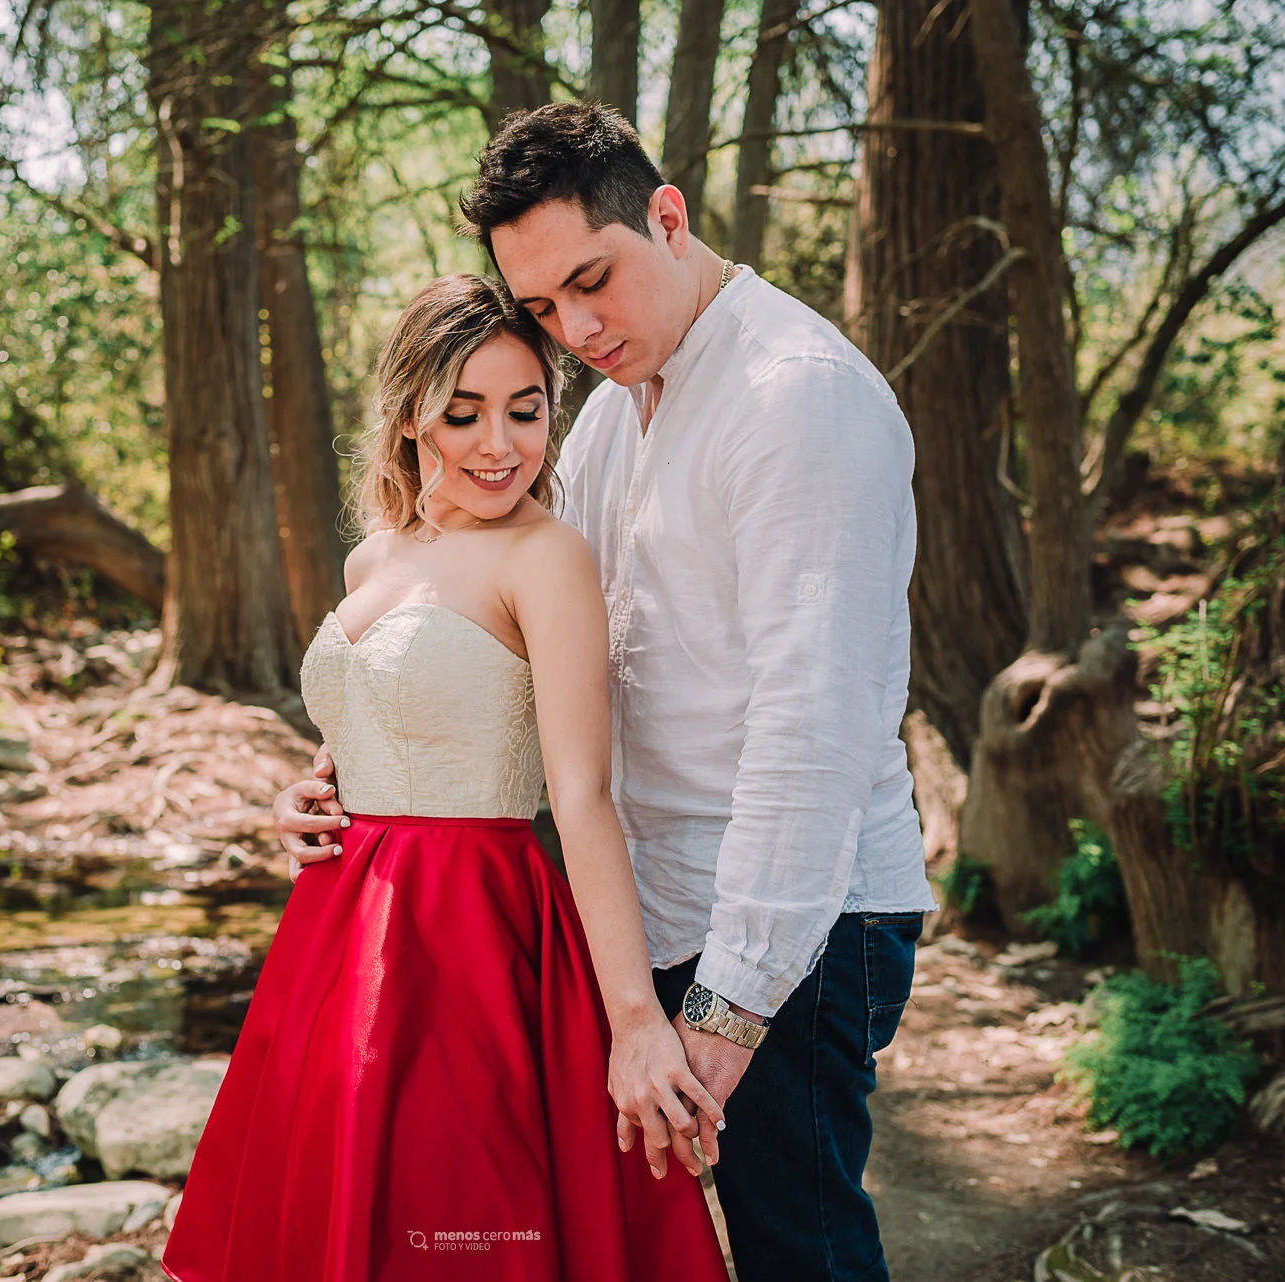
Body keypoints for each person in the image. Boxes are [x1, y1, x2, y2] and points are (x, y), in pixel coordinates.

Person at [277, 102, 938, 1282]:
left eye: (594, 279)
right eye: (542, 310)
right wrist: (359, 768)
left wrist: (729, 1013)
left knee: (801, 1247)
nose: (575, 329)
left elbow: (812, 734)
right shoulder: (617, 416)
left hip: (800, 925)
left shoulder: (797, 399)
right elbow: (507, 653)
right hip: (654, 908)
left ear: (668, 217)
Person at [162, 273, 730, 1282]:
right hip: (339, 933)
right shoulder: (373, 559)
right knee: (345, 1219)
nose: (499, 443)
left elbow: (582, 795)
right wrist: (305, 791)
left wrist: (637, 1021)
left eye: (526, 409)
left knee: (462, 1221)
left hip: (470, 932)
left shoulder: (546, 557)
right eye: (464, 413)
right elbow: (383, 721)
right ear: (412, 414)